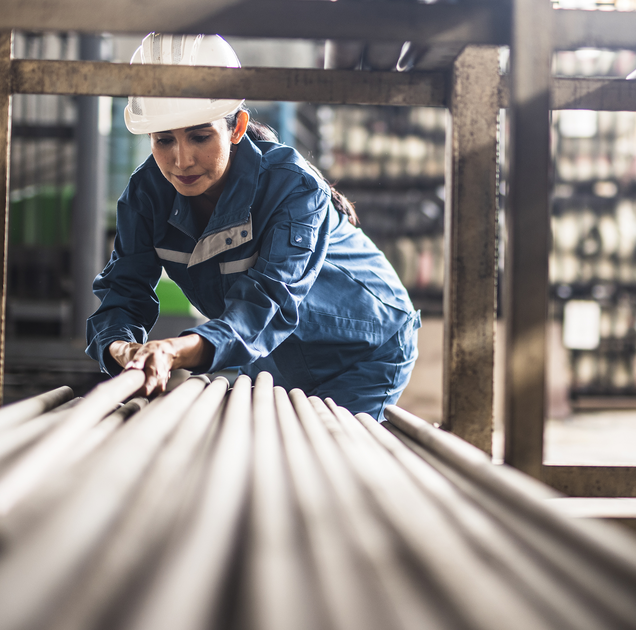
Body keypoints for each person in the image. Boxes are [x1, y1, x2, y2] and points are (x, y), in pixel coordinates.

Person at [86, 33, 420, 420]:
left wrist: (174, 351)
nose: (181, 160)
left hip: (365, 348)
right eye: (164, 140)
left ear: (237, 127)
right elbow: (124, 292)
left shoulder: (292, 187)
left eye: (200, 136)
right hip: (272, 353)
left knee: (321, 465)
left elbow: (268, 302)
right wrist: (122, 349)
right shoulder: (146, 196)